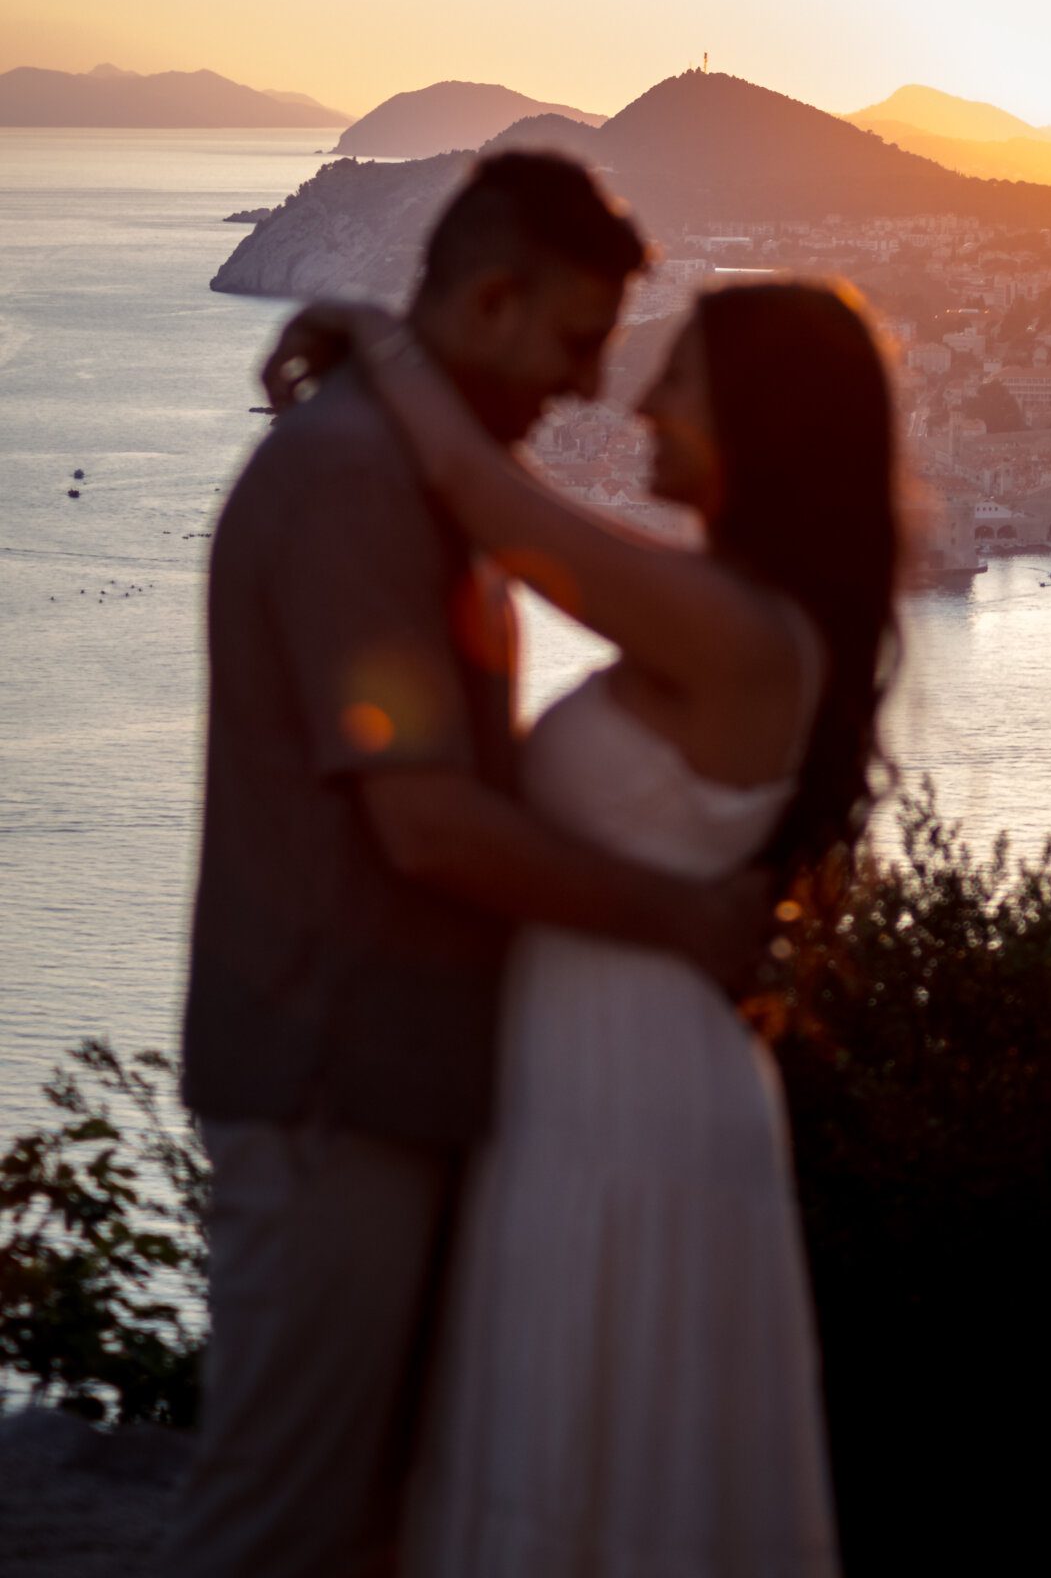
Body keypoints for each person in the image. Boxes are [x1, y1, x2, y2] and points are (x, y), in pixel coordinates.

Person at [170, 152, 770, 1578]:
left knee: (372, 1530)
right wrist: (679, 916)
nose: (583, 391)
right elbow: (422, 818)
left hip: (386, 1082)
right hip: (333, 1087)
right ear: (492, 301)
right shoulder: (358, 490)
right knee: (286, 1532)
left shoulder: (412, 470)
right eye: (572, 340)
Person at [259, 271, 901, 1578]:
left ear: (755, 424)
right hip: (601, 1082)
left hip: (633, 1100)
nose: (641, 402)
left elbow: (498, 513)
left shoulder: (736, 631)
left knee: (586, 1476)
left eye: (679, 380)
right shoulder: (730, 615)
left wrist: (387, 340)